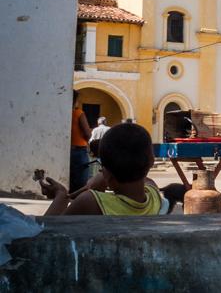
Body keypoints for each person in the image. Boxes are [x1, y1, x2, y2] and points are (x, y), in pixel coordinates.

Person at [41, 123, 176, 216]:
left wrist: (61, 196)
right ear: (151, 161)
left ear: (106, 173)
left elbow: (47, 231)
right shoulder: (155, 195)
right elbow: (147, 180)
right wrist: (106, 177)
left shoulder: (90, 201)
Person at [70, 91, 91, 193]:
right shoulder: (79, 113)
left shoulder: (64, 112)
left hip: (66, 149)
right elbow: (88, 133)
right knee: (81, 179)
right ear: (75, 100)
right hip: (79, 149)